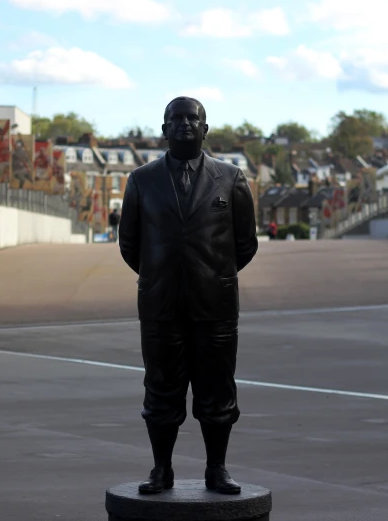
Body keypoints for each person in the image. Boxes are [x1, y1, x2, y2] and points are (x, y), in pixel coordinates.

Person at [119, 97, 258, 495]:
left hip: (215, 307)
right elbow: (130, 244)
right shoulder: (141, 180)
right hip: (161, 307)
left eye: (191, 118)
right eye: (175, 119)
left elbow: (245, 245)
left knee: (217, 391)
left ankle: (218, 469)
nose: (183, 124)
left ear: (205, 129)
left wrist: (212, 276)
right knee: (161, 391)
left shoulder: (230, 179)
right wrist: (163, 276)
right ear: (163, 130)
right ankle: (161, 469)